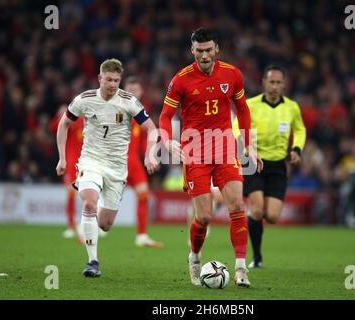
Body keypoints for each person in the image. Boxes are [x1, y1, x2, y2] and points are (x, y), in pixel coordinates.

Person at [159, 27, 263, 287]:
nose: (204, 55)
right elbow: (164, 116)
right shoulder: (181, 80)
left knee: (237, 205)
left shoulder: (232, 74)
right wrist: (167, 139)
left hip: (226, 148)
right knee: (204, 216)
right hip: (194, 152)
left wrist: (250, 145)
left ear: (217, 49)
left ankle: (241, 268)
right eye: (199, 50)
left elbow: (243, 110)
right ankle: (194, 256)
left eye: (208, 50)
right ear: (192, 50)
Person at [56, 58, 159, 277]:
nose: (113, 84)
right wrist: (62, 158)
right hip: (90, 160)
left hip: (117, 167)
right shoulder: (84, 99)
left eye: (116, 80)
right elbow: (63, 124)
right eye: (109, 79)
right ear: (100, 78)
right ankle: (92, 261)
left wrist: (150, 154)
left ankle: (95, 221)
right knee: (89, 204)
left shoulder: (129, 101)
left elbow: (152, 128)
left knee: (105, 224)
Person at [242, 65, 306, 268]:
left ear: (284, 85)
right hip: (253, 162)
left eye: (279, 82)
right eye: (272, 82)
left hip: (278, 165)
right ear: (264, 82)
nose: (275, 86)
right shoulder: (250, 105)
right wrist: (246, 148)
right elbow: (237, 127)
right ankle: (256, 257)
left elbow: (300, 129)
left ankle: (252, 217)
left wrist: (296, 149)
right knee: (258, 209)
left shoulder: (292, 107)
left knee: (272, 216)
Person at [124, 77, 163, 248]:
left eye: (135, 90)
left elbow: (144, 141)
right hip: (114, 162)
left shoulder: (141, 114)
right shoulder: (116, 110)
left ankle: (141, 235)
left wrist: (150, 156)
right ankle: (92, 227)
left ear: (141, 92)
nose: (133, 93)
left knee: (143, 195)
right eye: (129, 90)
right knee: (102, 198)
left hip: (133, 163)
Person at [49, 104, 84, 245]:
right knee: (71, 194)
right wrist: (61, 115)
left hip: (85, 162)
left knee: (90, 194)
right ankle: (70, 226)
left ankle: (91, 225)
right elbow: (53, 127)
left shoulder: (84, 119)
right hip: (70, 164)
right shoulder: (69, 120)